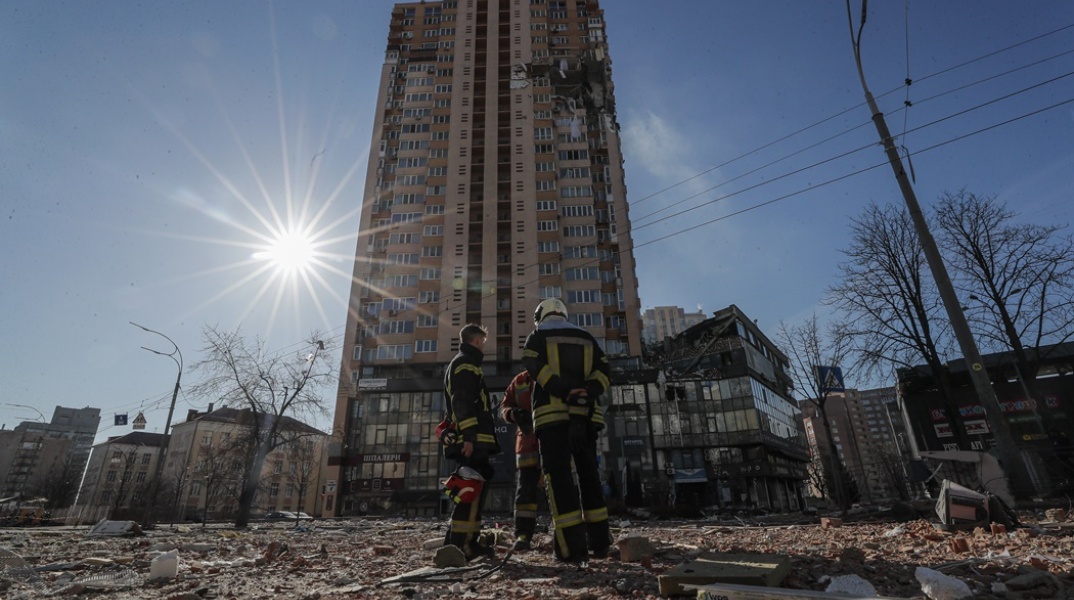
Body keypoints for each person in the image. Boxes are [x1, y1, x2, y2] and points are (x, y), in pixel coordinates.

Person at [522, 298, 611, 563]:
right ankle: (600, 543)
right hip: (587, 418)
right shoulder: (587, 337)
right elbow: (605, 371)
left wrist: (564, 391)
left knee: (559, 479)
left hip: (552, 419)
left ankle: (570, 549)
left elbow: (534, 366)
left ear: (540, 315)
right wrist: (587, 393)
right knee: (590, 478)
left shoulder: (537, 336)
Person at [441, 323, 500, 560]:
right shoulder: (466, 363)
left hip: (470, 438)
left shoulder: (462, 362)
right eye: (483, 342)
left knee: (469, 489)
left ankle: (457, 543)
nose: (484, 346)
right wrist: (469, 437)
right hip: (472, 440)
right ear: (476, 341)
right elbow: (462, 401)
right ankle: (464, 547)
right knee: (470, 490)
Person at [500, 369, 541, 551]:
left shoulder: (553, 374)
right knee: (525, 493)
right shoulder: (520, 380)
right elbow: (504, 407)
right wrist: (514, 413)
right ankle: (523, 535)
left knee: (561, 490)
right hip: (527, 443)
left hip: (552, 441)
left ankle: (566, 536)